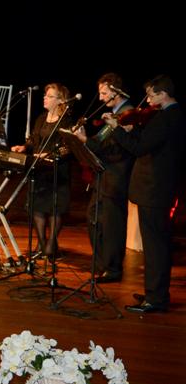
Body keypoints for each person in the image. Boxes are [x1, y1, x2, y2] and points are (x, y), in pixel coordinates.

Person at [106, 75, 184, 313]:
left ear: (163, 94)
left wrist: (117, 130)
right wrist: (131, 130)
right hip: (156, 189)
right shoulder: (168, 116)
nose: (147, 99)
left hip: (155, 190)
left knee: (156, 246)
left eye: (151, 95)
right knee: (154, 246)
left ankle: (157, 299)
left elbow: (139, 148)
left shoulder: (168, 118)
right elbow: (148, 142)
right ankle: (154, 293)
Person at [73, 73, 134, 283]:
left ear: (116, 92)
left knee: (112, 225)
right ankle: (102, 264)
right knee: (94, 218)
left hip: (117, 177)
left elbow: (118, 151)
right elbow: (101, 144)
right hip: (104, 175)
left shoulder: (129, 114)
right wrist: (84, 140)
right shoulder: (115, 114)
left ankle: (113, 269)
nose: (100, 98)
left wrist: (85, 141)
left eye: (104, 93)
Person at [10, 83, 74, 256]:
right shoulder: (41, 118)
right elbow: (33, 139)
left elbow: (68, 147)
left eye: (49, 96)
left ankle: (51, 244)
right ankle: (41, 242)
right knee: (37, 206)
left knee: (55, 207)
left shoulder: (66, 121)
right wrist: (24, 147)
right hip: (39, 167)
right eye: (45, 95)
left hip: (56, 169)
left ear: (60, 101)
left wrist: (49, 154)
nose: (44, 98)